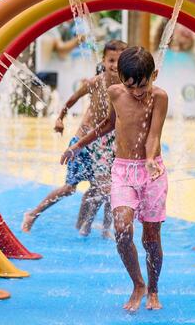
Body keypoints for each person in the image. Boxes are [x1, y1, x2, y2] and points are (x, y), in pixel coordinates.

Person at [61, 47, 168, 311]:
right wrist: (77, 146)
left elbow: (153, 135)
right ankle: (138, 284)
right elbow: (109, 124)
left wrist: (151, 159)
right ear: (120, 78)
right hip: (122, 170)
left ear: (153, 75)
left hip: (151, 171)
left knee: (151, 238)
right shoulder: (115, 93)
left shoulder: (160, 97)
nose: (137, 92)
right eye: (131, 86)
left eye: (143, 85)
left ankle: (153, 289)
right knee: (122, 231)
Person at [22, 40, 128, 238]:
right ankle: (32, 214)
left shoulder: (125, 85)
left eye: (119, 61)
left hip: (106, 142)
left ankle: (102, 229)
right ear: (103, 61)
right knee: (70, 188)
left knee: (108, 187)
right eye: (111, 60)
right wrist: (60, 119)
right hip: (84, 141)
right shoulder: (95, 82)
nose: (114, 65)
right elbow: (71, 100)